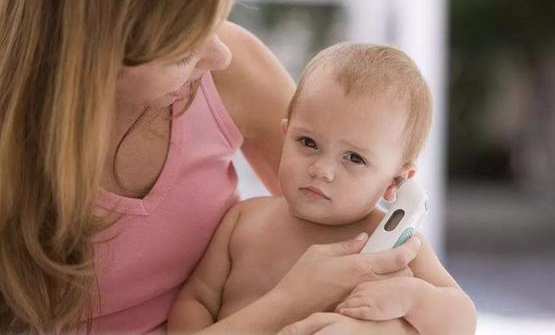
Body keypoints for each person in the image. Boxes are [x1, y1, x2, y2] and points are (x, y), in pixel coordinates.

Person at [0, 0, 432, 333]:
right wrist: (289, 302)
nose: (220, 54)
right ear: (94, 52)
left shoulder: (233, 70)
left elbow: (342, 206)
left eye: (216, 18)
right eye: (185, 49)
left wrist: (388, 318)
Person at [168, 43, 477, 335]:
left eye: (354, 158)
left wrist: (413, 298)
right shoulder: (243, 220)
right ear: (285, 134)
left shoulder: (394, 246)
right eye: (308, 143)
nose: (322, 170)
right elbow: (196, 299)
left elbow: (462, 319)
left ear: (395, 181)